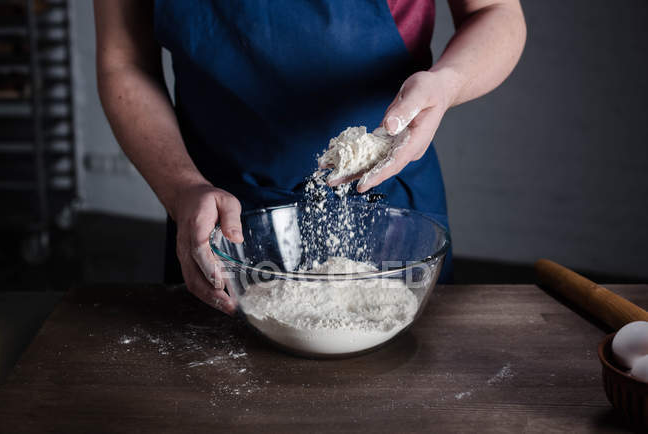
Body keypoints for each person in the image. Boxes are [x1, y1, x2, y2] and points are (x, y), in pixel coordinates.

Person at [94, 1, 526, 315]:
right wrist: (182, 187)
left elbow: (495, 12)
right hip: (221, 221)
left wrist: (446, 83)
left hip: (389, 208)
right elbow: (124, 60)